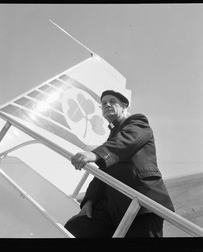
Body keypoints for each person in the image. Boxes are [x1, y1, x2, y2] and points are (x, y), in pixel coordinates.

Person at [64, 90, 174, 237]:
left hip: (141, 199)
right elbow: (103, 173)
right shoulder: (111, 138)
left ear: (124, 106)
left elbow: (126, 141)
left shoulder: (138, 122)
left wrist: (95, 154)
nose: (107, 105)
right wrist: (90, 200)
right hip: (112, 205)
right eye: (104, 103)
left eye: (112, 101)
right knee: (76, 227)